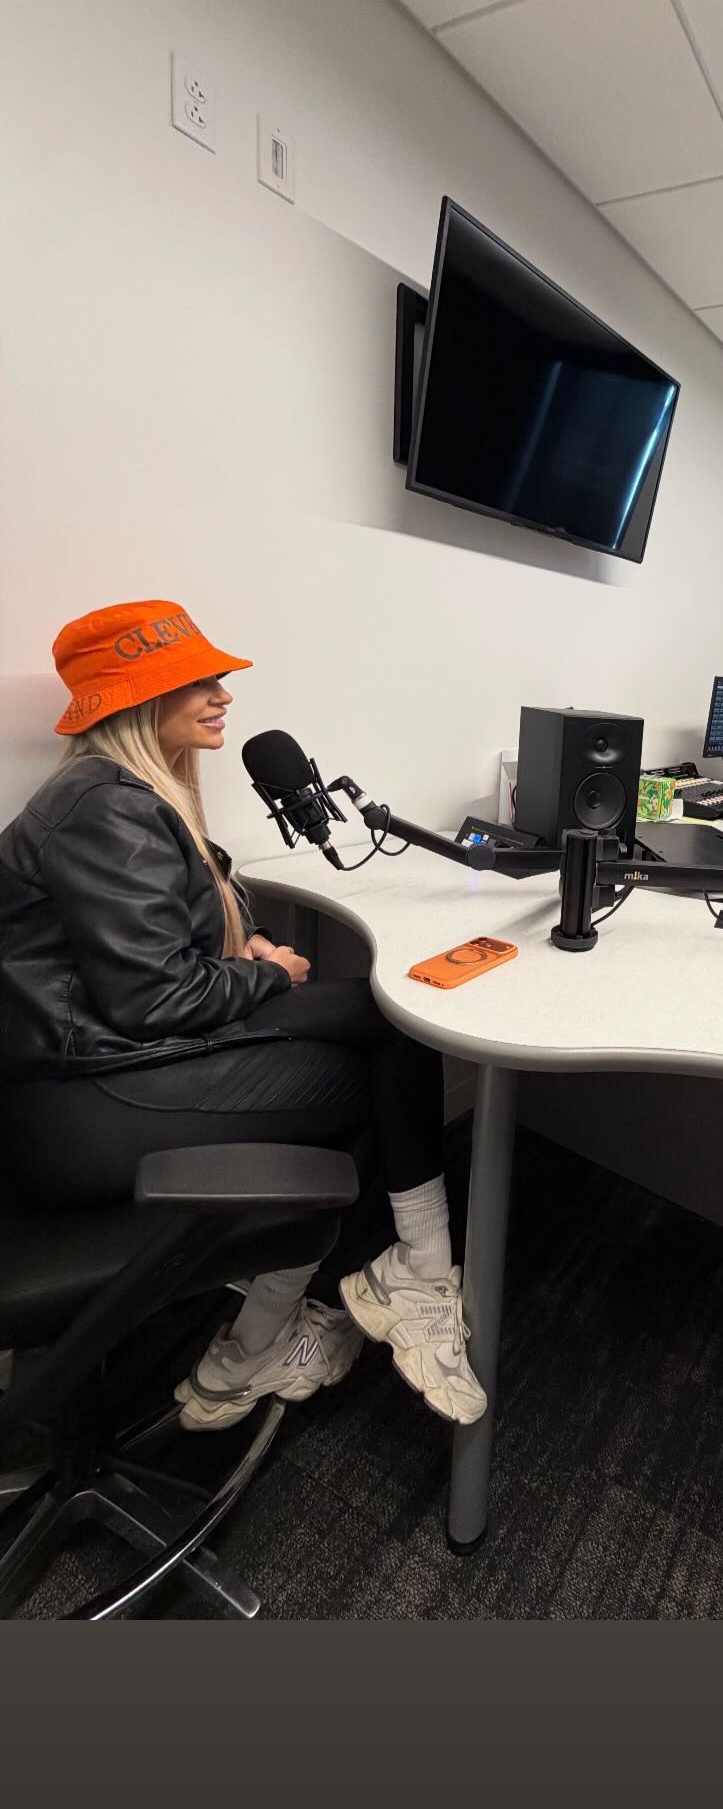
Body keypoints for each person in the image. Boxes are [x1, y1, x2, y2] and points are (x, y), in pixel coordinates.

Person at [0, 600, 486, 1433]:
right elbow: (153, 999)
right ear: (134, 700)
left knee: (389, 1016)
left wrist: (248, 945)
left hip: (101, 1064)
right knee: (374, 1073)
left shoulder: (129, 793)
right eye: (196, 682)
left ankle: (408, 1274)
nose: (223, 695)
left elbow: (158, 940)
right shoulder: (103, 805)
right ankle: (275, 1337)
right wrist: (268, 974)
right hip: (80, 1104)